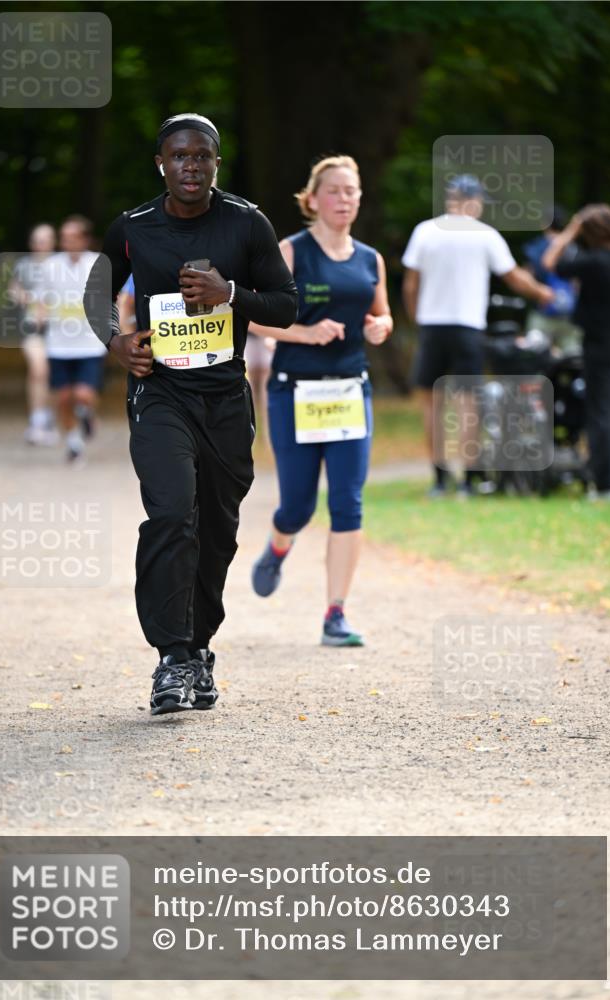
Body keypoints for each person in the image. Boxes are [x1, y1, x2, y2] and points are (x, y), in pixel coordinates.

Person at [85, 113, 298, 715]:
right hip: (161, 395)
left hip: (225, 399)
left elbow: (286, 306)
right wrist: (116, 342)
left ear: (216, 163)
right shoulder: (133, 227)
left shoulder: (247, 222)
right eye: (179, 156)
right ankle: (172, 657)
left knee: (216, 532)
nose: (191, 166)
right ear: (161, 163)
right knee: (173, 513)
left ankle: (199, 647)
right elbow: (98, 293)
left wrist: (230, 294)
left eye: (202, 156)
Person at [249, 155, 392, 647]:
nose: (343, 199)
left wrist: (380, 327)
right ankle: (278, 545)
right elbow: (252, 314)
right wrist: (305, 333)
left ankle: (336, 613)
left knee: (348, 502)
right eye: (334, 190)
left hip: (350, 389)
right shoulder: (290, 252)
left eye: (351, 191)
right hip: (295, 390)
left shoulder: (370, 259)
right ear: (312, 199)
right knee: (298, 507)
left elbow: (382, 314)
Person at [401, 174, 554, 497]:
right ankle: (469, 480)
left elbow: (411, 284)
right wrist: (542, 293)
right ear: (472, 201)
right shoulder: (485, 235)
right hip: (468, 328)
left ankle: (440, 479)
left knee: (432, 405)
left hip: (432, 328)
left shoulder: (424, 231)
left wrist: (418, 320)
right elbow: (513, 277)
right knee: (468, 406)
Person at [542, 204, 610, 501]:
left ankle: (608, 485)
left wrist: (570, 230)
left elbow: (549, 262)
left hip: (600, 342)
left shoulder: (593, 262)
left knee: (601, 411)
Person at [40, 215, 106, 462]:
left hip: (90, 342)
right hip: (58, 343)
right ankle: (73, 442)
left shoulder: (98, 263)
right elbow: (42, 299)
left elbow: (112, 297)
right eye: (64, 237)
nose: (66, 242)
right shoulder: (50, 266)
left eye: (72, 237)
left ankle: (87, 413)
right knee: (64, 397)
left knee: (83, 394)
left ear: (85, 239)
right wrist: (39, 314)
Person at [9, 223, 58, 445]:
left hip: (59, 329)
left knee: (53, 373)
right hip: (31, 328)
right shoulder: (23, 265)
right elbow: (13, 289)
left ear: (53, 242)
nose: (41, 245)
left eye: (45, 240)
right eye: (37, 240)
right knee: (39, 370)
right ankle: (37, 421)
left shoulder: (62, 265)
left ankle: (49, 419)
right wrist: (25, 298)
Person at [522, 205, 581, 354]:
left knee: (535, 356)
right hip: (569, 313)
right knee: (572, 357)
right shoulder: (573, 248)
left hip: (541, 310)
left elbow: (526, 277)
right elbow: (577, 283)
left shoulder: (536, 246)